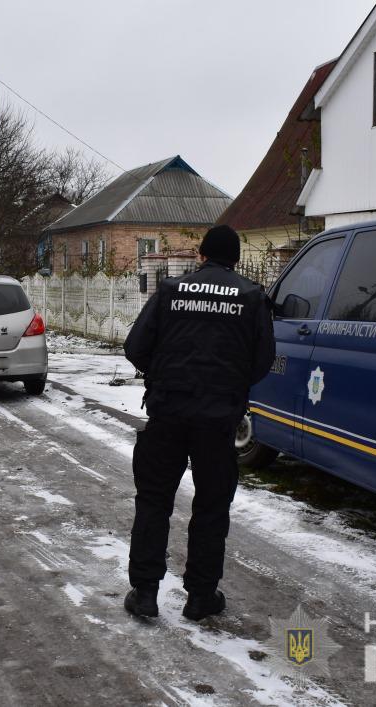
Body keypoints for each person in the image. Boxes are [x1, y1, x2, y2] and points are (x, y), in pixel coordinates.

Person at [122, 224, 275, 621]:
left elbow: (135, 346)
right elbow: (262, 361)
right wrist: (227, 386)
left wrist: (163, 374)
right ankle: (201, 597)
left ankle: (145, 593)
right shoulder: (252, 297)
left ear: (202, 256)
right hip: (218, 420)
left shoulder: (171, 291)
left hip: (168, 411)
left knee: (154, 500)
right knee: (211, 506)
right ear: (236, 260)